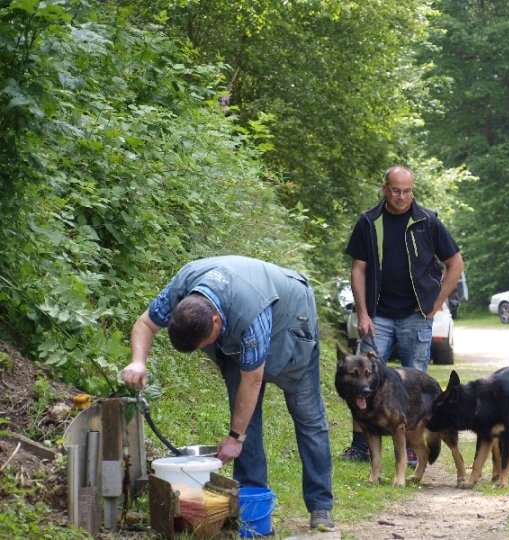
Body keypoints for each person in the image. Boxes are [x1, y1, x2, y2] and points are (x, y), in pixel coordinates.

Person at [120, 256, 335, 532]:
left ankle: (321, 506)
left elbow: (253, 381)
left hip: (292, 318)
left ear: (216, 321)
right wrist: (138, 361)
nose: (202, 351)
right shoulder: (183, 288)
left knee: (306, 413)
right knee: (243, 415)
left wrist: (234, 438)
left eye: (204, 344)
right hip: (237, 331)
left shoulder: (251, 314)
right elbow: (145, 324)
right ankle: (250, 502)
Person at [342, 165, 464, 465]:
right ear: (384, 189)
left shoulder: (428, 221)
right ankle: (361, 445)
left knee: (412, 382)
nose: (402, 196)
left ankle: (410, 447)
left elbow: (455, 263)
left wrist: (434, 305)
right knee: (362, 378)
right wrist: (363, 313)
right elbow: (358, 268)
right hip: (377, 316)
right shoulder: (369, 222)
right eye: (396, 190)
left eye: (407, 191)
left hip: (415, 315)